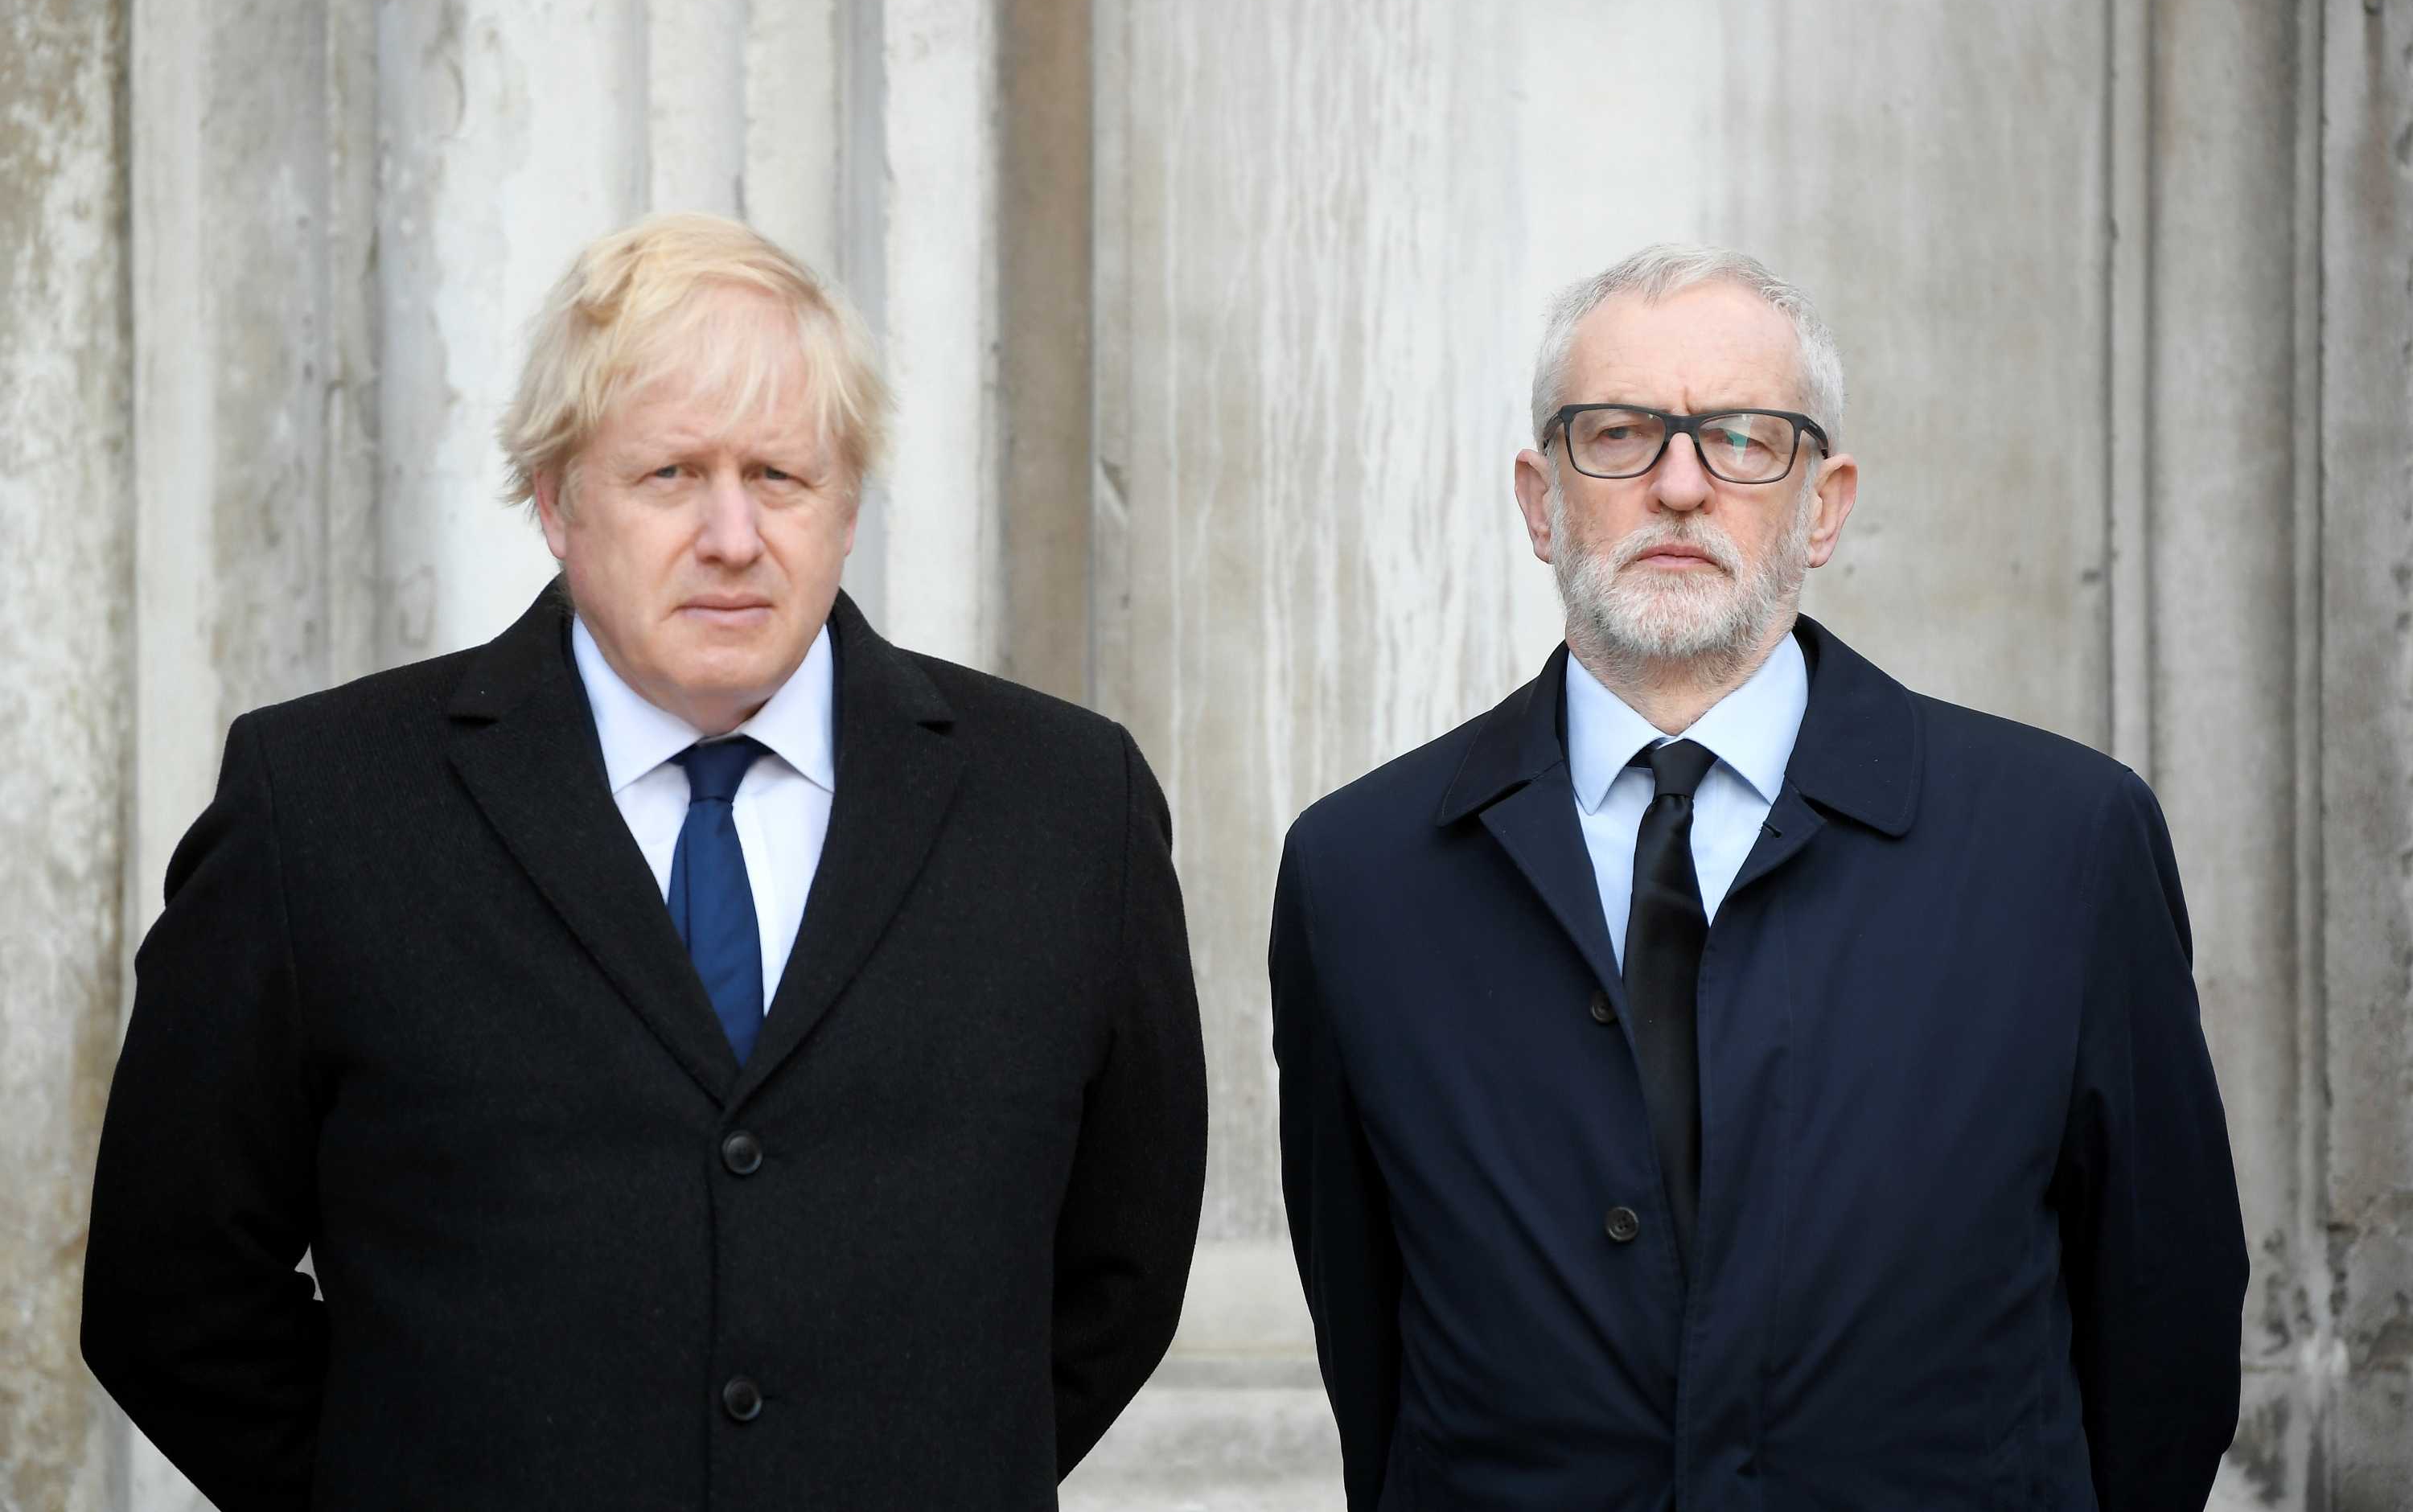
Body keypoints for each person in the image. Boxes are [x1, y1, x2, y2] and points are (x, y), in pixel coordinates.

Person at [82, 212, 1208, 1510]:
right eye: (671, 474)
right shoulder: (323, 807)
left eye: (779, 476)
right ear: (557, 502)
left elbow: (1119, 1274)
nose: (733, 535)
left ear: (846, 504)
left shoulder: (1069, 810)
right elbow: (168, 1289)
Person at [1270, 244, 2247, 1510]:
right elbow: (1372, 1344)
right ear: (1539, 498)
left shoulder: (2065, 843)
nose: (1680, 486)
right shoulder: (1363, 874)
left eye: (1743, 439)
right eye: (1617, 435)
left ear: (1824, 504)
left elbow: (2162, 1335)